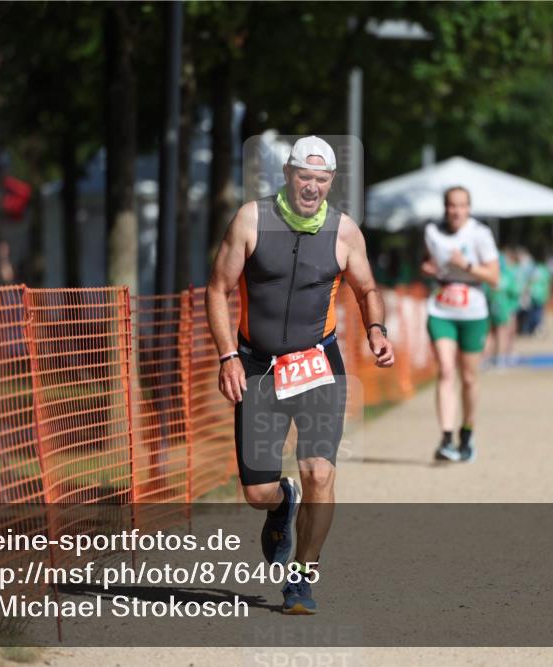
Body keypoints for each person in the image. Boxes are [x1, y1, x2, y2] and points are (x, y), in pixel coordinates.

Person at [206, 136, 394, 614]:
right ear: (288, 175)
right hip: (258, 365)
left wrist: (376, 329)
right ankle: (280, 501)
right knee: (255, 492)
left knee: (319, 472)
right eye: (304, 177)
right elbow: (218, 288)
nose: (312, 187)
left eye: (322, 179)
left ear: (332, 182)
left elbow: (367, 287)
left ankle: (302, 577)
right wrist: (229, 356)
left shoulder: (344, 232)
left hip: (317, 366)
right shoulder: (251, 220)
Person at [421, 186, 500, 462]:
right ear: (445, 208)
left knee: (468, 377)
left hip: (473, 311)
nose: (456, 211)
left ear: (469, 208)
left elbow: (494, 277)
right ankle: (445, 438)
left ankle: (467, 431)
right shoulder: (432, 232)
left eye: (461, 205)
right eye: (451, 205)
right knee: (445, 370)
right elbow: (430, 260)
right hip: (441, 308)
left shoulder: (480, 234)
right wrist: (428, 268)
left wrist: (466, 265)